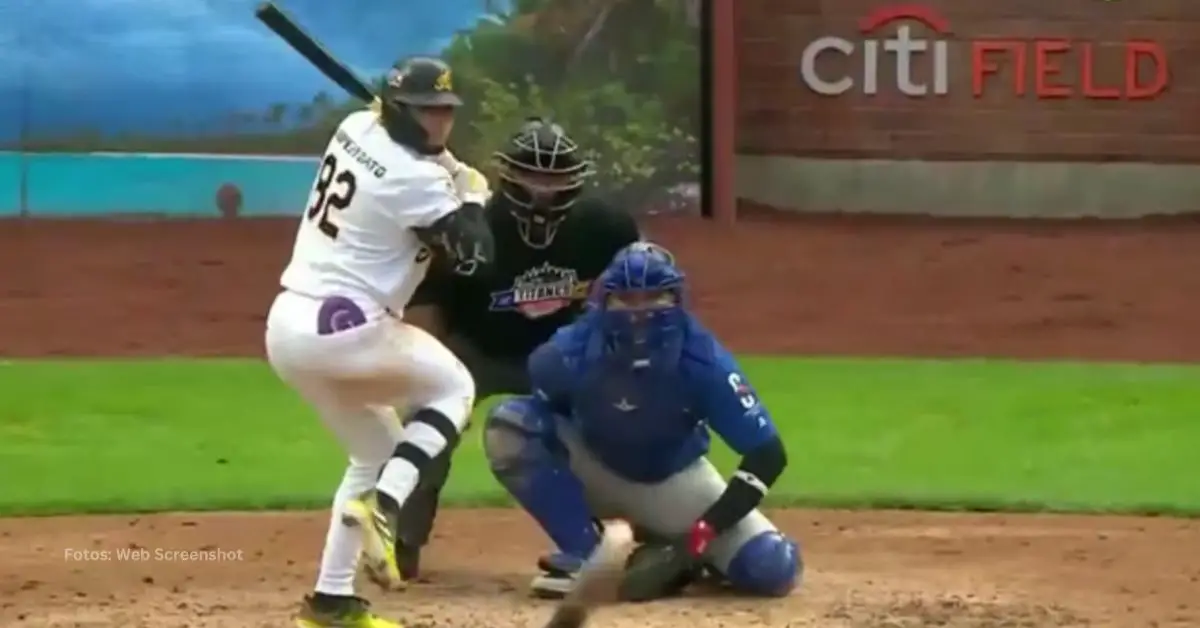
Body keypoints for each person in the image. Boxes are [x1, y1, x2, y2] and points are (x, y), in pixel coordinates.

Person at [264, 56, 494, 628]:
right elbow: (476, 255)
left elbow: (415, 155)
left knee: (373, 451)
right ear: (399, 110)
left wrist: (450, 174)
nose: (441, 123)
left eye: (446, 112)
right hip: (345, 328)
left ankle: (331, 601)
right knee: (455, 386)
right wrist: (472, 195)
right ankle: (387, 504)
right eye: (428, 112)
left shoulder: (355, 126)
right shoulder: (412, 180)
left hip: (290, 328)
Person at [481, 242, 802, 600]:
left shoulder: (704, 360)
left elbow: (767, 453)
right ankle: (590, 557)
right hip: (596, 467)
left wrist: (702, 534)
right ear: (605, 302)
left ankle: (679, 559)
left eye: (654, 298)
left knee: (772, 566)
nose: (640, 312)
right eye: (627, 299)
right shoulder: (567, 352)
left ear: (676, 299)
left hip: (674, 482)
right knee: (510, 425)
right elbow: (542, 416)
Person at [394, 118, 642, 577]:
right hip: (476, 350)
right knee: (427, 428)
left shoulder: (606, 227)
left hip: (562, 352)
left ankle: (623, 541)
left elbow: (638, 291)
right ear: (508, 175)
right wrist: (433, 373)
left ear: (576, 179)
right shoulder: (473, 225)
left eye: (554, 176)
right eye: (532, 174)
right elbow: (426, 302)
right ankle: (398, 545)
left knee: (618, 422)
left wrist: (614, 362)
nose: (543, 188)